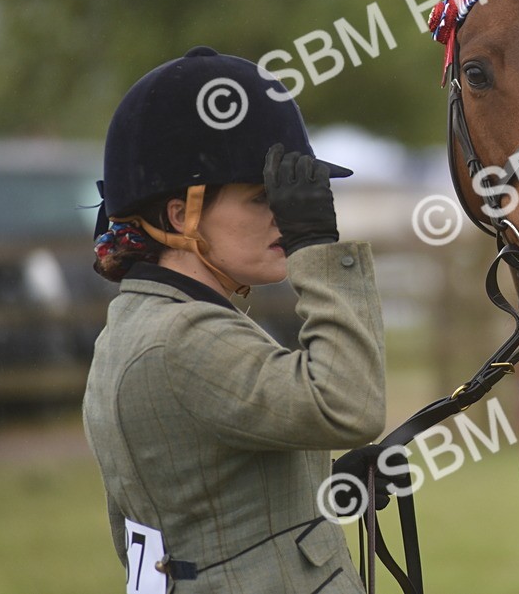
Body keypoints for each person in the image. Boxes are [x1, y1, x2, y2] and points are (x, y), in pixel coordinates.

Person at [83, 46, 385, 593]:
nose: (285, 216)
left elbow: (204, 493)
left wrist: (316, 485)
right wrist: (315, 248)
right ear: (181, 215)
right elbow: (350, 404)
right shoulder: (181, 338)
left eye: (288, 199)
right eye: (260, 197)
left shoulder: (151, 321)